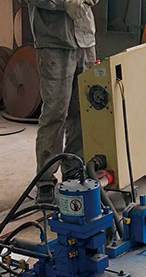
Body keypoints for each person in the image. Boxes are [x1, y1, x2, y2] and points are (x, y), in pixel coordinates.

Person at [27, 0, 98, 201]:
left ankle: (74, 169)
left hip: (85, 40)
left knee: (83, 111)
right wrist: (65, 3)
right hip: (54, 43)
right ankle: (45, 180)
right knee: (55, 113)